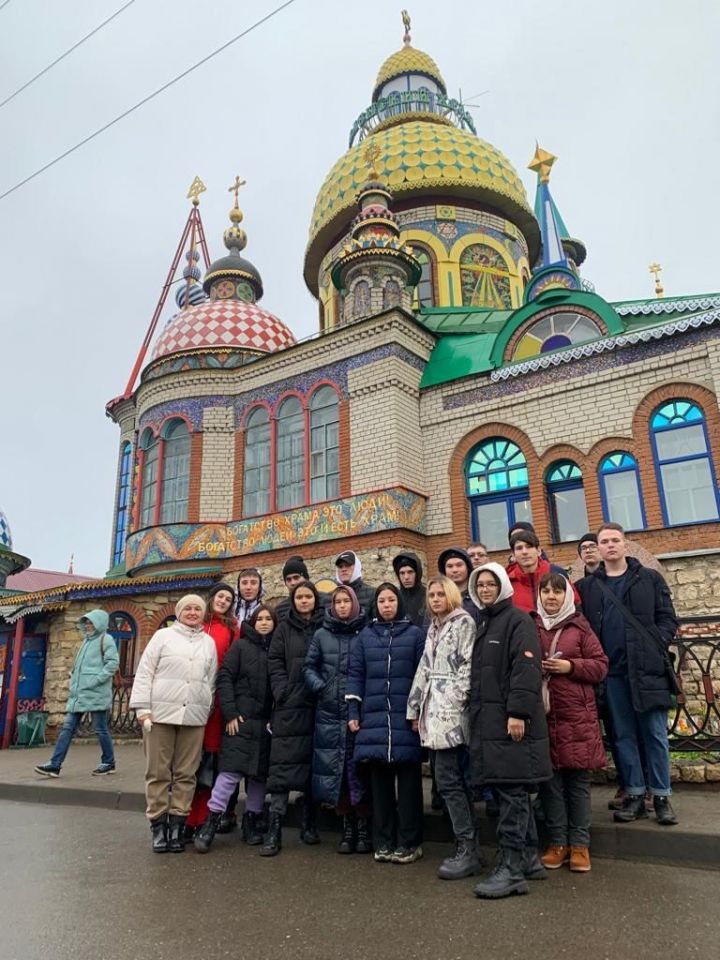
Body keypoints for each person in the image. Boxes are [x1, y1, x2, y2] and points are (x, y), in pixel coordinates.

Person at [577, 522, 679, 826]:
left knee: (655, 735)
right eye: (603, 541)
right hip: (613, 674)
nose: (609, 545)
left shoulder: (649, 579)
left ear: (625, 544)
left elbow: (667, 619)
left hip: (647, 670)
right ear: (597, 548)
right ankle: (634, 794)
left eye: (614, 540)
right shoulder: (588, 587)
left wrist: (656, 644)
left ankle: (661, 796)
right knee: (623, 736)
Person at [468, 563, 552, 899]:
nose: (486, 589)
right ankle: (529, 857)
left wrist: (517, 712)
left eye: (491, 584)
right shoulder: (484, 622)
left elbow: (526, 667)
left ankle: (512, 870)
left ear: (502, 586)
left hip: (511, 723)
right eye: (481, 585)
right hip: (490, 722)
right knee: (510, 792)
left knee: (513, 795)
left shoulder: (517, 620)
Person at [532, 573, 608, 873]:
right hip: (545, 715)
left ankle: (580, 844)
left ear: (567, 596)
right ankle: (557, 842)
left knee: (576, 783)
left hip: (576, 716)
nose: (551, 597)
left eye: (557, 592)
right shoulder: (532, 625)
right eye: (546, 591)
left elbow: (601, 665)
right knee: (550, 784)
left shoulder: (580, 626)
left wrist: (570, 666)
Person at [130, 595, 218, 853]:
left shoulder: (208, 643)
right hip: (160, 714)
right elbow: (145, 671)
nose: (192, 613)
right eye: (188, 608)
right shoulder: (163, 637)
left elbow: (210, 680)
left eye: (197, 609)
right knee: (157, 772)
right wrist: (143, 709)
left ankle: (178, 825)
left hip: (193, 717)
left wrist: (204, 706)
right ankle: (158, 825)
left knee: (186, 773)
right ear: (179, 612)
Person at [346, 583, 425, 864]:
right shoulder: (365, 637)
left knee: (409, 789)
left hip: (406, 721)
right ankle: (384, 841)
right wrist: (353, 711)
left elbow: (421, 676)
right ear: (375, 605)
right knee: (379, 788)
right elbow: (355, 674)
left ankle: (410, 842)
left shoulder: (415, 635)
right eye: (382, 601)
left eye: (392, 600)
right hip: (374, 721)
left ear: (399, 603)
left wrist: (419, 713)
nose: (387, 605)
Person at [407, 575, 479, 880]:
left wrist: (455, 703)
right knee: (447, 780)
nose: (435, 599)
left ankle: (468, 846)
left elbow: (467, 667)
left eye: (440, 594)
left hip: (449, 714)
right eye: (432, 595)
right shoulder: (434, 627)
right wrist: (414, 707)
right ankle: (465, 841)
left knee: (450, 781)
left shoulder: (463, 623)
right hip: (431, 713)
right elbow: (425, 666)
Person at [193, 604, 276, 854]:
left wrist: (274, 717)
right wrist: (230, 713)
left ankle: (251, 820)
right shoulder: (240, 647)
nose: (263, 623)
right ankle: (211, 820)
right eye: (259, 618)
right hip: (240, 720)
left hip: (265, 724)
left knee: (258, 776)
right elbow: (225, 677)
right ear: (252, 622)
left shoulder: (277, 648)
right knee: (229, 774)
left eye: (268, 619)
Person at [304, 585, 370, 854]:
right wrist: (322, 687)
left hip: (359, 712)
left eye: (346, 601)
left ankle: (365, 826)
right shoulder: (322, 634)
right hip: (330, 711)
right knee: (338, 770)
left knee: (360, 769)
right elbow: (309, 666)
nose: (342, 606)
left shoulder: (366, 632)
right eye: (337, 601)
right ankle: (347, 826)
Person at [262, 580, 325, 856]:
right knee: (282, 765)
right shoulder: (284, 629)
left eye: (308, 596)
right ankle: (274, 827)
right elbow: (274, 661)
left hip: (316, 704)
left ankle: (309, 821)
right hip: (288, 705)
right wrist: (281, 689)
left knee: (312, 763)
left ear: (315, 599)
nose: (303, 601)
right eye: (299, 597)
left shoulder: (325, 626)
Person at [35, 609, 119, 778]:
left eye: (91, 623)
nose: (88, 626)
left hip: (96, 694)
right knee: (67, 728)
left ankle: (109, 762)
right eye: (86, 622)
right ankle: (55, 765)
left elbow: (112, 664)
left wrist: (93, 681)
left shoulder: (106, 639)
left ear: (100, 624)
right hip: (79, 694)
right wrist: (73, 677)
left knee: (100, 729)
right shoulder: (85, 642)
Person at [185, 583, 239, 838]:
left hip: (215, 701)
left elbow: (232, 665)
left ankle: (202, 818)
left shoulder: (230, 629)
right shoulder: (194, 625)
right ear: (212, 598)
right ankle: (182, 817)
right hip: (190, 697)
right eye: (220, 596)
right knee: (187, 761)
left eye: (228, 599)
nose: (223, 601)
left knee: (208, 762)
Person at [507, 529, 579, 614]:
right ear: (513, 555)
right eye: (519, 548)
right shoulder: (507, 583)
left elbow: (576, 607)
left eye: (529, 546)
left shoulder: (557, 573)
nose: (524, 552)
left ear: (539, 551)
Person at [437, 546, 483, 626]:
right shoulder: (437, 596)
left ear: (467, 568)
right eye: (450, 566)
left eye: (459, 565)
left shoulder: (479, 594)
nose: (455, 570)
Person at [333, 551, 376, 615]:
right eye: (340, 566)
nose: (343, 569)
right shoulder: (330, 596)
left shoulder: (372, 594)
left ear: (357, 567)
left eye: (348, 565)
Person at [392, 551, 426, 627]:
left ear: (418, 573)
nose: (406, 577)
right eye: (402, 573)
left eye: (410, 572)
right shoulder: (394, 598)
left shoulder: (429, 596)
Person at [275, 556, 311, 622]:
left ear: (306, 578)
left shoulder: (324, 602)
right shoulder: (280, 610)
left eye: (296, 578)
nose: (293, 583)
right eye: (288, 580)